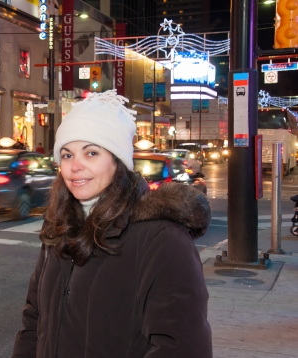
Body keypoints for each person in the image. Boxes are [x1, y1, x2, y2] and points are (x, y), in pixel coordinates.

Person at [12, 90, 212, 358]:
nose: (75, 166)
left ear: (117, 162)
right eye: (67, 155)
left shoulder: (162, 238)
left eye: (91, 153)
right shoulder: (60, 227)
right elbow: (33, 322)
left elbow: (181, 347)